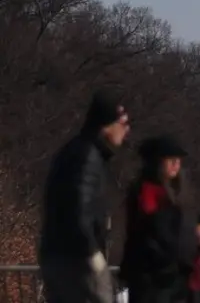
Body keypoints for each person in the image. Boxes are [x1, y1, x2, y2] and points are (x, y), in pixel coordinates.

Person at [39, 91, 131, 303]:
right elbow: (77, 207)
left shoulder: (74, 150)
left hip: (57, 255)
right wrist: (92, 253)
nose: (126, 130)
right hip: (77, 260)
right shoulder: (88, 156)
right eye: (123, 123)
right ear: (107, 125)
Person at [119, 135, 200, 303]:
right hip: (155, 275)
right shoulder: (146, 191)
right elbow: (156, 229)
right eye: (170, 160)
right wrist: (190, 234)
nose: (176, 164)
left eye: (177, 160)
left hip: (178, 275)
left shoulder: (180, 193)